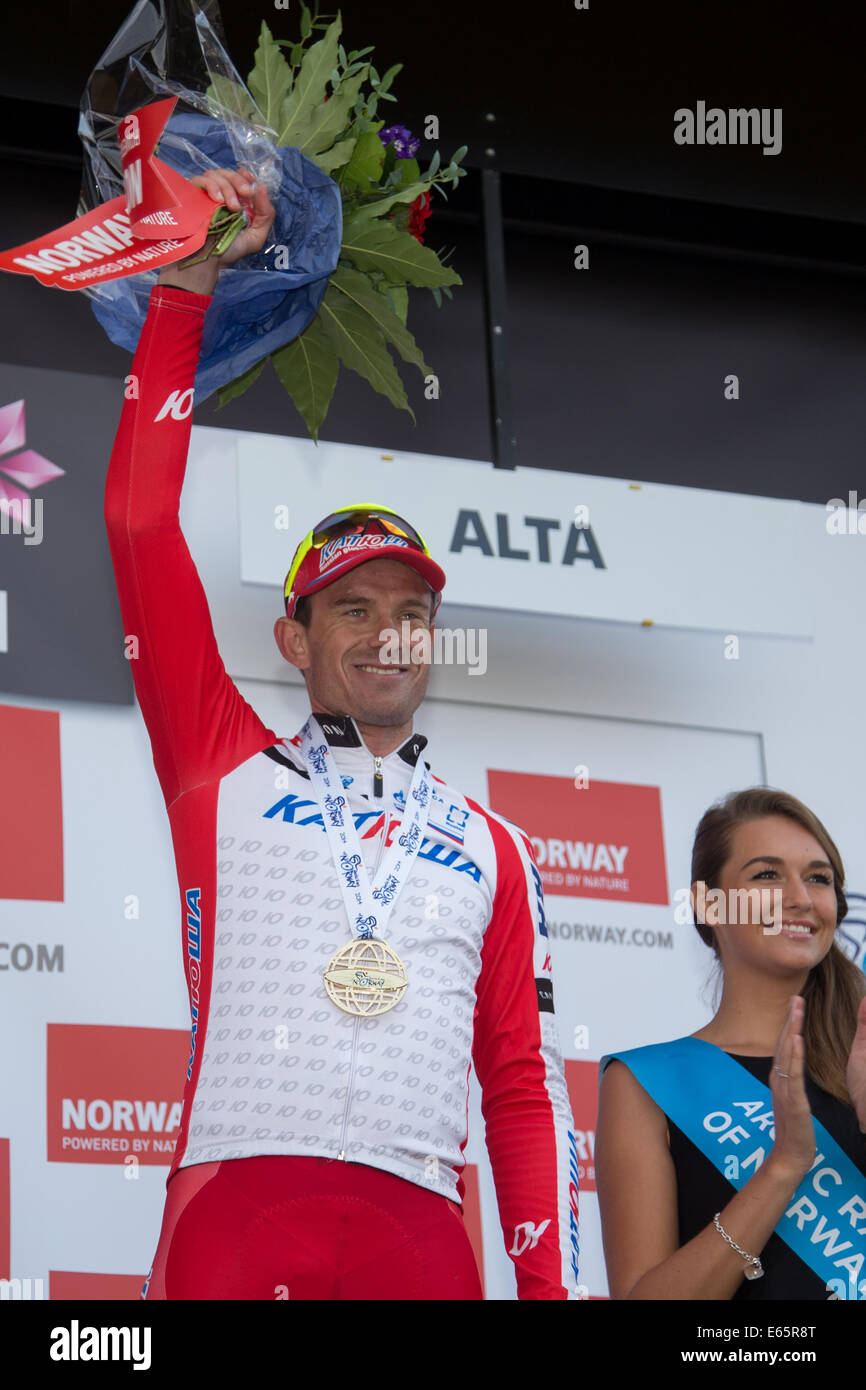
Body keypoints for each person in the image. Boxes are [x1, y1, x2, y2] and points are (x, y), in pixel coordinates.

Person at [104, 166, 579, 1300]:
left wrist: (553, 1293)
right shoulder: (216, 763)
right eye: (353, 610)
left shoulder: (493, 846)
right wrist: (185, 291)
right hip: (232, 1215)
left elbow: (520, 1090)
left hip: (416, 1234)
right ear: (294, 637)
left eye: (409, 613)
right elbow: (134, 519)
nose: (386, 637)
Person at [595, 787, 866, 1300]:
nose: (801, 898)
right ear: (707, 903)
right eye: (767, 875)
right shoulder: (649, 1084)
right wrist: (784, 1164)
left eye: (818, 878)